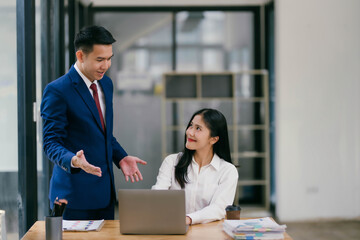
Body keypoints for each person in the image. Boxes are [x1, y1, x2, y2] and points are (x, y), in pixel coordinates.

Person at [41, 25, 147, 220]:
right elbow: (50, 143)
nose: (105, 66)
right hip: (73, 198)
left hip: (105, 196)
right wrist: (73, 160)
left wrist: (121, 157)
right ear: (80, 56)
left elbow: (103, 133)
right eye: (100, 60)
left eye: (109, 59)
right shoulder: (57, 91)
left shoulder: (106, 84)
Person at [152, 108, 238, 225]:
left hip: (209, 233)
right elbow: (158, 196)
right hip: (173, 230)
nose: (190, 132)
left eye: (198, 128)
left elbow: (219, 208)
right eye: (191, 126)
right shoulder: (172, 162)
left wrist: (188, 219)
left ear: (213, 139)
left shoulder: (228, 171)